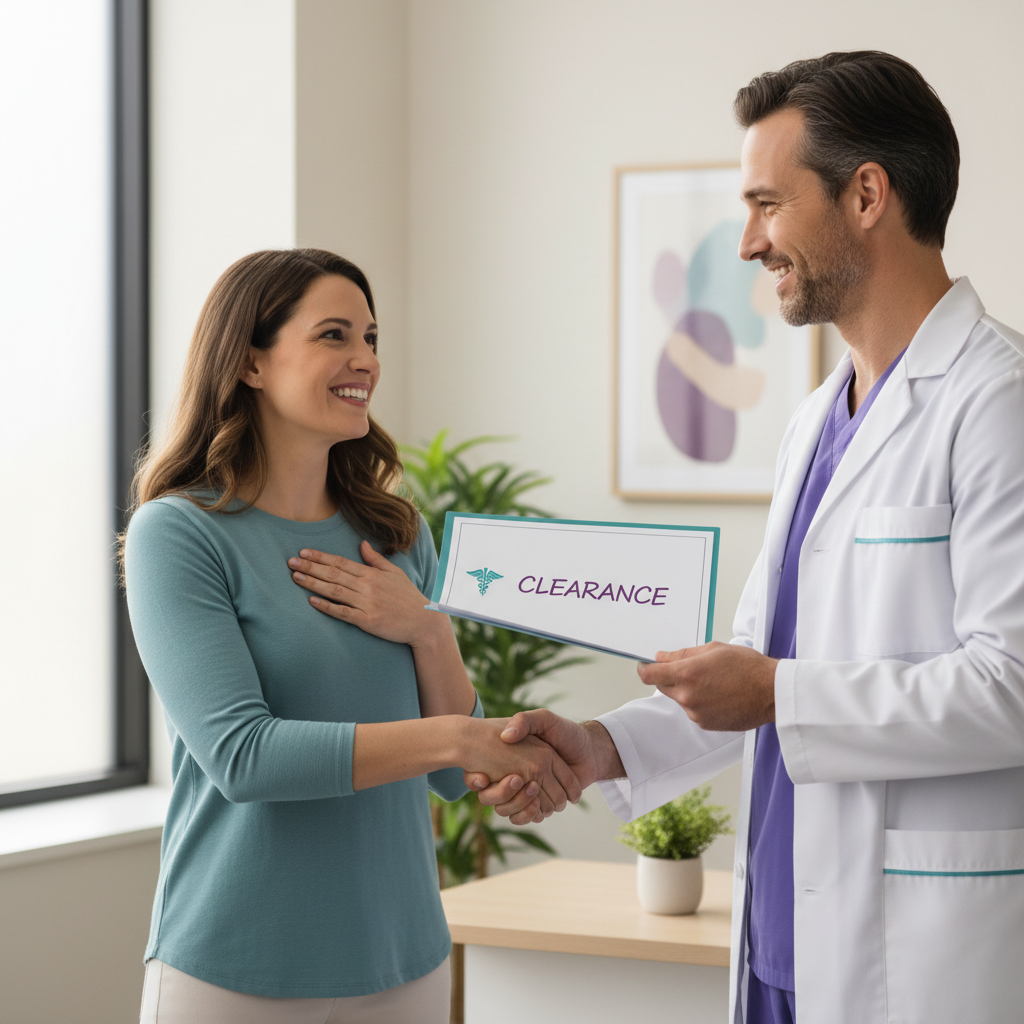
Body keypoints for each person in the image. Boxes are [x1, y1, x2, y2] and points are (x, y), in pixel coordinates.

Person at [472, 51, 1024, 1024]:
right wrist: (600, 746)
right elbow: (747, 674)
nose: (746, 242)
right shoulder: (816, 418)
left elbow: (1010, 685)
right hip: (782, 950)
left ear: (865, 194)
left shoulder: (997, 402)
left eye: (767, 204)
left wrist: (773, 689)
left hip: (917, 956)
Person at [123, 248, 581, 1024]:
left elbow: (445, 780)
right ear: (250, 363)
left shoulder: (398, 534)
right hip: (237, 968)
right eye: (334, 335)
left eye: (372, 338)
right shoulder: (179, 534)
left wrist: (429, 633)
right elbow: (242, 757)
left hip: (402, 961)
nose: (364, 360)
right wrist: (456, 738)